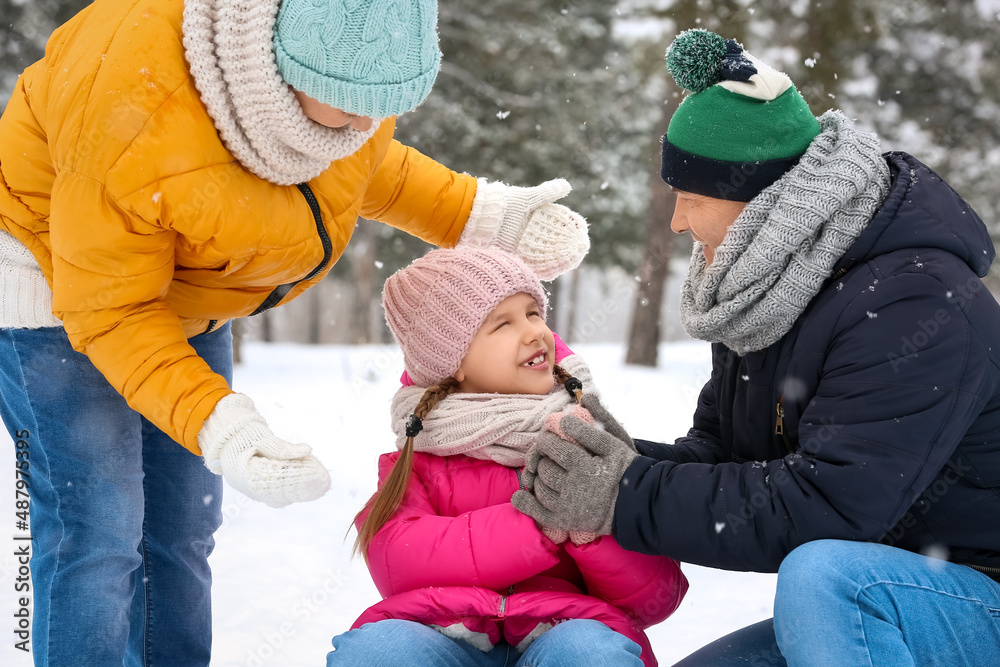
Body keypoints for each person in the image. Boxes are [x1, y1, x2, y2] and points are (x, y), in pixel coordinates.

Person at [0, 0, 590, 664]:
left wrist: (484, 215)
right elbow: (112, 308)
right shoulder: (135, 107)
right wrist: (216, 419)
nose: (366, 123)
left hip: (184, 287)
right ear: (283, 64)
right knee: (97, 529)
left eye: (382, 105)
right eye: (349, 105)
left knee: (180, 525)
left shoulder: (340, 76)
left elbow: (374, 167)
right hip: (59, 279)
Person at [512, 28, 1000, 666]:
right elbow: (725, 456)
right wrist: (606, 454)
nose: (678, 222)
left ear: (765, 201)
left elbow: (831, 506)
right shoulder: (772, 288)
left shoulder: (915, 299)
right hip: (884, 599)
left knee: (823, 574)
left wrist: (626, 493)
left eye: (691, 199)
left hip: (969, 598)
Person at [328, 247, 687, 667]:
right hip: (446, 633)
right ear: (454, 363)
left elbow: (655, 596)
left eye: (534, 313)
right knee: (378, 652)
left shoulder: (587, 437)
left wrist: (591, 528)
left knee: (592, 653)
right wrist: (534, 526)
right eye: (503, 324)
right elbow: (398, 561)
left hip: (562, 627)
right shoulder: (421, 456)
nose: (535, 332)